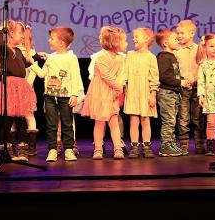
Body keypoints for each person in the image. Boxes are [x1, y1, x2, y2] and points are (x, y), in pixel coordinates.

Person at [30, 27, 83, 162]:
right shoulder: (50, 58)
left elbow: (75, 76)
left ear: (61, 43)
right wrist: (32, 63)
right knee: (51, 124)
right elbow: (42, 74)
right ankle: (52, 149)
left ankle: (69, 149)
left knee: (67, 123)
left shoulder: (71, 58)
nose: (49, 40)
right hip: (50, 96)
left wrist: (74, 94)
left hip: (66, 97)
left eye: (52, 38)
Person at [0, 20, 37, 161]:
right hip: (10, 86)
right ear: (11, 33)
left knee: (21, 118)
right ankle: (5, 152)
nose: (23, 36)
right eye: (20, 33)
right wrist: (2, 29)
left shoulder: (17, 51)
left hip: (20, 86)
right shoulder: (5, 49)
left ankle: (21, 150)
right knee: (7, 120)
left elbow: (25, 64)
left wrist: (37, 56)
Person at [82, 26, 127, 160]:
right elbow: (106, 76)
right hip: (101, 93)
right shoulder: (101, 57)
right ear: (115, 42)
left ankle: (118, 148)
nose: (126, 43)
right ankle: (98, 149)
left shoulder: (121, 59)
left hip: (113, 93)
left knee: (114, 121)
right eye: (124, 41)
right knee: (100, 122)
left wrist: (118, 90)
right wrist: (118, 88)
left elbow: (121, 75)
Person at [123, 28, 159, 159]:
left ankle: (147, 146)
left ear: (146, 39)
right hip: (132, 93)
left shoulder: (151, 57)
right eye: (133, 37)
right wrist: (123, 88)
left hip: (145, 94)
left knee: (145, 120)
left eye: (137, 36)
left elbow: (154, 78)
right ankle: (134, 147)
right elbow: (124, 74)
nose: (134, 39)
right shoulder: (130, 55)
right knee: (133, 120)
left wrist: (153, 95)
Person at [175, 19, 204, 154]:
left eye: (182, 33)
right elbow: (175, 69)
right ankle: (184, 144)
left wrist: (195, 79)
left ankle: (199, 143)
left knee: (198, 118)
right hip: (183, 88)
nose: (179, 36)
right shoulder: (176, 51)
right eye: (178, 33)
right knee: (183, 118)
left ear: (192, 33)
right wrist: (181, 80)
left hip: (197, 88)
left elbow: (203, 66)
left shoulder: (199, 48)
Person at [155, 29, 185, 157]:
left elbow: (174, 75)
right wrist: (180, 82)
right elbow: (163, 76)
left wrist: (182, 81)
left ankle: (171, 143)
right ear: (166, 43)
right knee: (169, 120)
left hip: (174, 92)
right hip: (166, 93)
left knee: (172, 120)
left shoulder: (172, 57)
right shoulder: (163, 57)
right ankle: (165, 146)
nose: (178, 41)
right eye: (175, 39)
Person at [14, 24, 42, 156]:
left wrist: (26, 86)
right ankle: (15, 144)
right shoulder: (12, 50)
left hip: (26, 89)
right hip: (13, 89)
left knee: (29, 115)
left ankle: (31, 146)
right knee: (13, 117)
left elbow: (34, 72)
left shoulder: (31, 52)